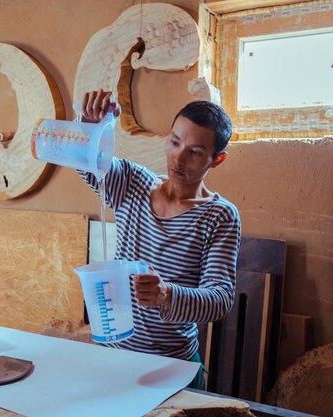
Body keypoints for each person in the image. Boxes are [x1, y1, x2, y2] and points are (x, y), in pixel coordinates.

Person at [78, 90, 241, 390]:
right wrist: (90, 129)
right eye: (175, 142)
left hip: (173, 369)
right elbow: (89, 163)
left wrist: (167, 294)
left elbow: (219, 299)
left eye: (194, 152)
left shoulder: (219, 216)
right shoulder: (132, 183)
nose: (178, 158)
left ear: (217, 159)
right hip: (116, 361)